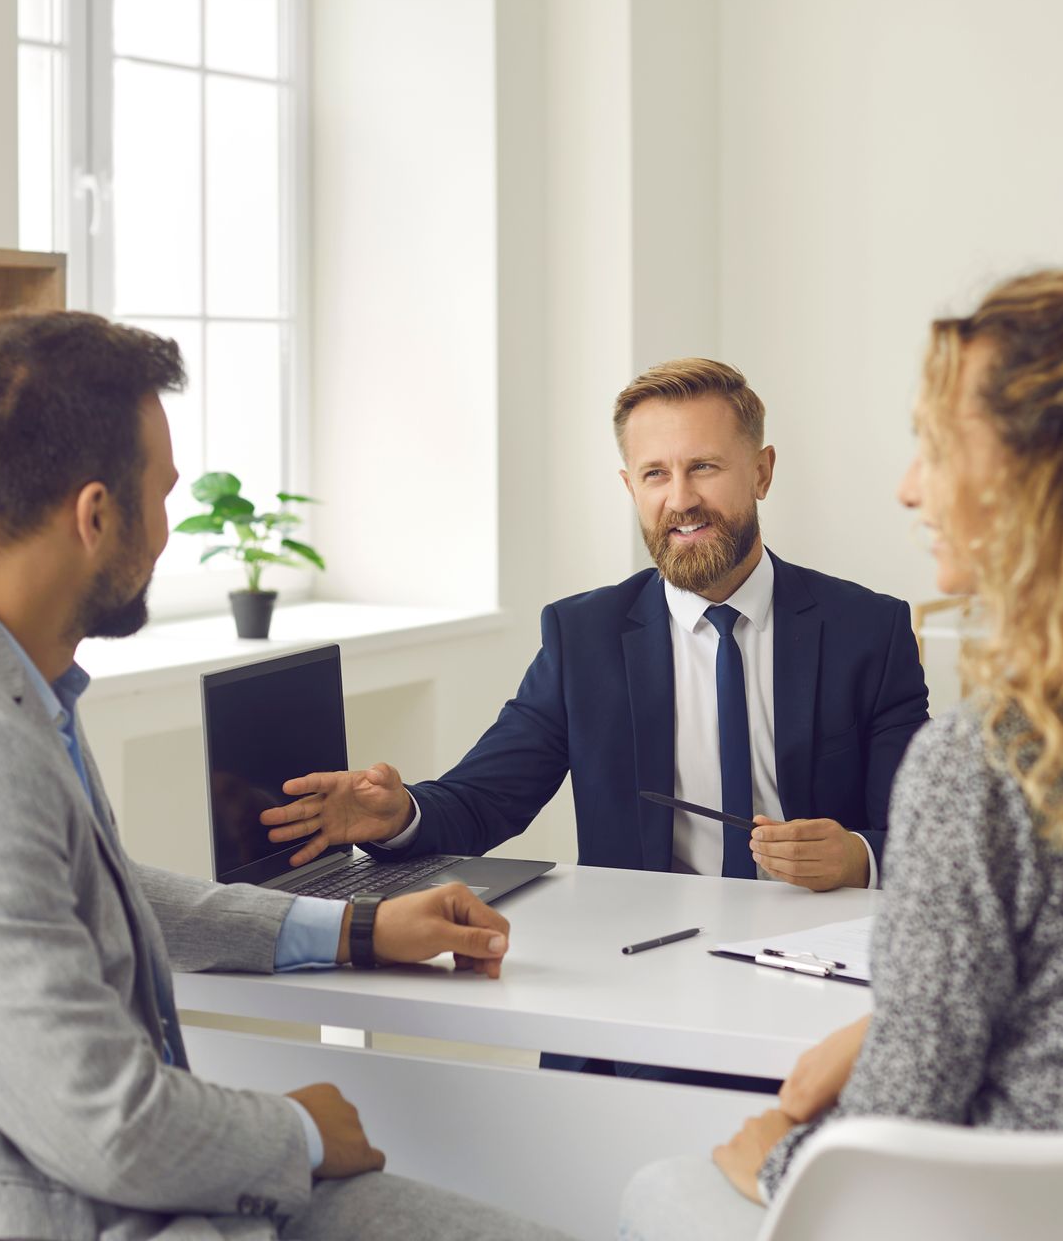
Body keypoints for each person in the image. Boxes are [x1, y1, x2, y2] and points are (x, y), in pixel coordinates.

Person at [0, 310, 568, 1241]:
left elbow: (91, 885)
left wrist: (356, 929)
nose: (171, 530)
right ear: (96, 515)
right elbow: (111, 1129)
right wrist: (299, 1130)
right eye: (164, 495)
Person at [617, 270, 1063, 1237]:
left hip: (996, 1213)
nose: (909, 486)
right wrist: (892, 1024)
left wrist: (773, 1154)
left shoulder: (983, 762)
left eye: (935, 448)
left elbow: (898, 1120)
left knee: (657, 1189)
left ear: (1031, 480)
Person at [263, 359, 931, 1089]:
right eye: (655, 475)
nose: (681, 500)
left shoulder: (872, 630)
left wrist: (858, 857)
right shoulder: (583, 636)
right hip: (636, 991)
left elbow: (928, 845)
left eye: (704, 468)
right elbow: (486, 798)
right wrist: (400, 814)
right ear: (629, 487)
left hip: (818, 994)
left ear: (762, 472)